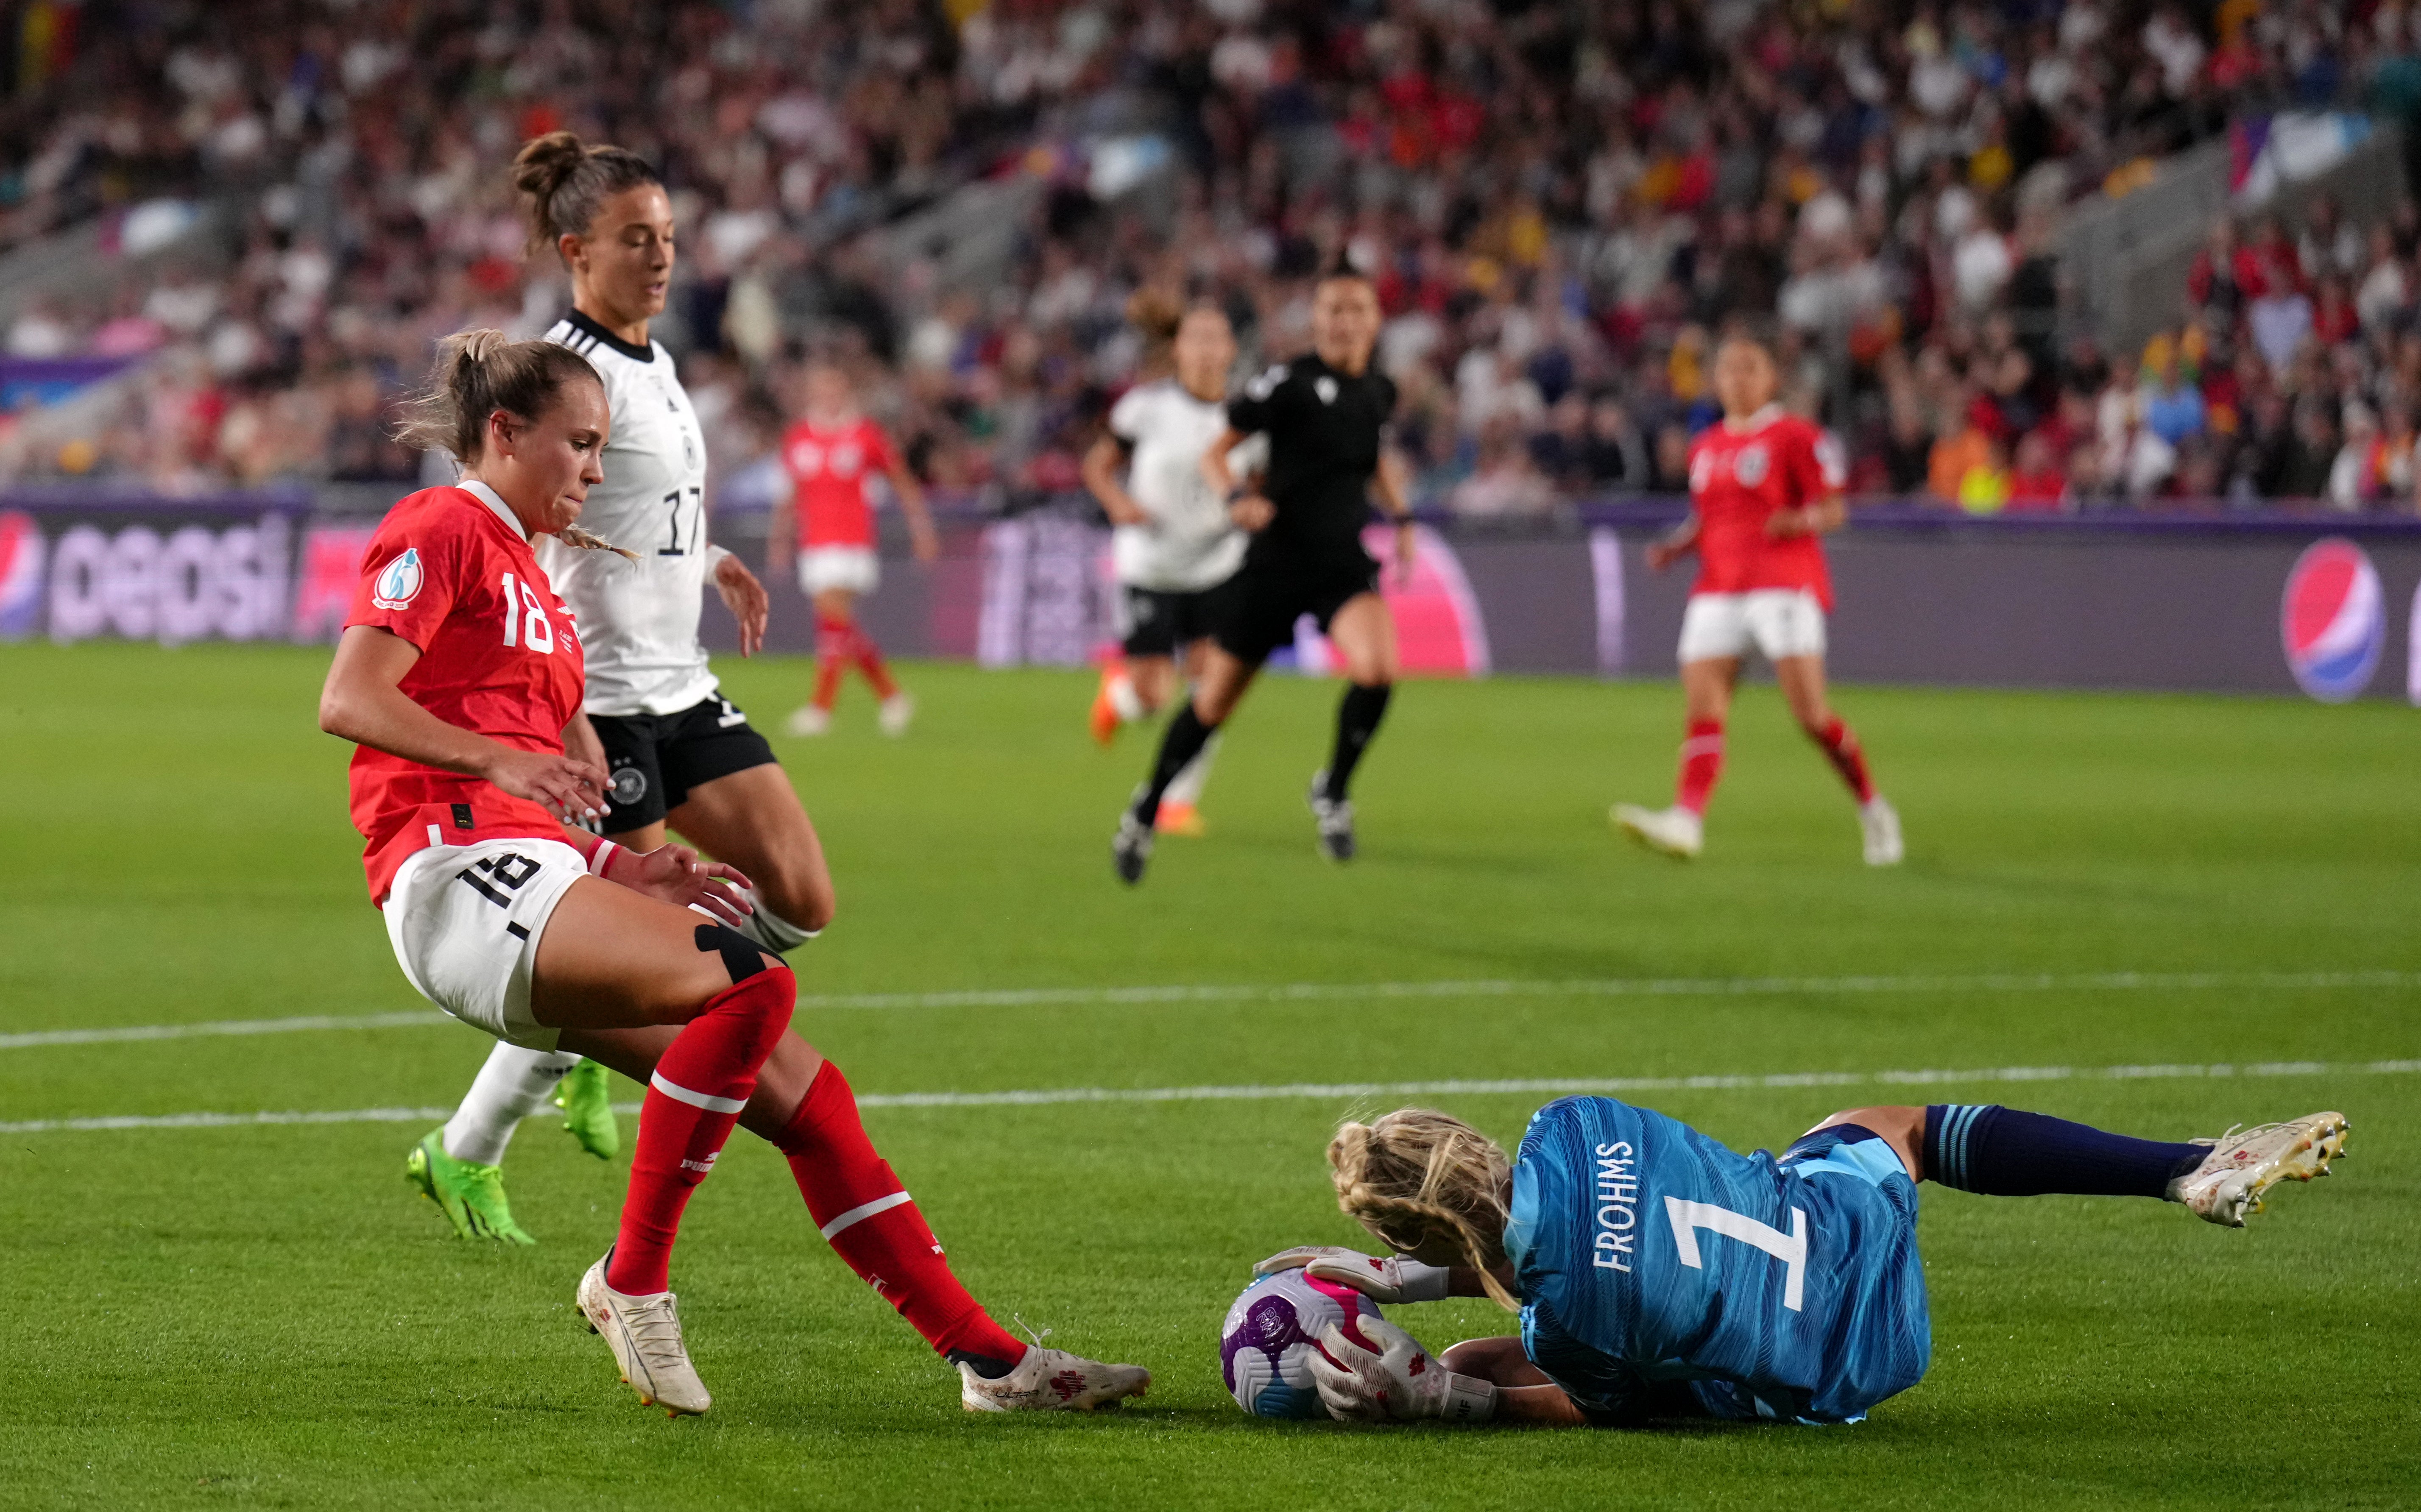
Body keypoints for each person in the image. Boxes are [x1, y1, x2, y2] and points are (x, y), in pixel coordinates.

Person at [322, 329, 1149, 1418]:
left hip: (534, 874)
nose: (594, 471)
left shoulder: (537, 575)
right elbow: (349, 696)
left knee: (810, 1097)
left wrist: (631, 865)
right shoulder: (442, 525)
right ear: (502, 432)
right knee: (751, 980)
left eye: (604, 447)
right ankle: (631, 1280)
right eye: (578, 444)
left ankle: (991, 1361)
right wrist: (496, 756)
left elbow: (557, 781)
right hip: (454, 870)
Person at [403, 132, 840, 1248]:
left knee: (796, 893)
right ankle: (478, 1143)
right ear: (574, 249)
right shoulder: (554, 371)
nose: (660, 256)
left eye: (670, 238)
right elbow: (526, 528)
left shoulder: (654, 360)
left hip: (682, 682)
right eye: (635, 239)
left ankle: (540, 1075)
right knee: (658, 934)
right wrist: (557, 712)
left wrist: (709, 557)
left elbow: (635, 507)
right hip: (600, 695)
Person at [1262, 1097, 2348, 1426]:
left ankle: (1453, 1383)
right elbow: (1622, 1224)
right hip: (1838, 1233)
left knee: (1487, 1359)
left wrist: (1455, 1396)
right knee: (1895, 1127)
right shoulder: (1572, 1119)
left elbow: (1606, 1402)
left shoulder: (1561, 1323)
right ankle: (2180, 1167)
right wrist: (1425, 1274)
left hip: (1837, 1378)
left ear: (1421, 1230)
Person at [1111, 261, 1414, 883]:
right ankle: (1145, 808)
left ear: (1375, 320)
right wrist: (1233, 500)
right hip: (1274, 565)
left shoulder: (1378, 390)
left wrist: (1402, 515)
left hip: (1339, 565)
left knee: (1379, 668)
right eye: (1332, 310)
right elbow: (1215, 451)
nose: (1343, 321)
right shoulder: (1288, 383)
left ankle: (1331, 787)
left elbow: (1372, 456)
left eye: (1356, 309)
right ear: (1316, 318)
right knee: (1214, 702)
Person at [1612, 328, 1902, 865]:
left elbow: (1836, 510)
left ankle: (1873, 808)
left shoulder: (1795, 436)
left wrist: (1801, 519)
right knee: (1703, 709)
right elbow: (1711, 520)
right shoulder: (1707, 447)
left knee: (1811, 716)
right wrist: (1676, 550)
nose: (1736, 378)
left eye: (1749, 367)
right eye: (1727, 369)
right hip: (1717, 589)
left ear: (1770, 378)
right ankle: (1687, 819)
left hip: (1784, 586)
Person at [1080, 293, 1254, 836]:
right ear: (1177, 348)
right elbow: (1099, 466)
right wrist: (1118, 504)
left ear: (1230, 350)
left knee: (1210, 689)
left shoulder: (1249, 417)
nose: (1204, 349)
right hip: (1151, 565)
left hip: (1216, 566)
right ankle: (1117, 695)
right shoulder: (1146, 408)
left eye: (1214, 338)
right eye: (1194, 338)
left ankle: (1177, 801)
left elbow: (1263, 481)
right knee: (1153, 697)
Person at [770, 360, 940, 737]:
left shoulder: (865, 434)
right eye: (821, 390)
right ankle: (891, 696)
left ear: (846, 393)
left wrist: (921, 530)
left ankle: (821, 709)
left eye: (835, 389)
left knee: (833, 617)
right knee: (836, 627)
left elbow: (903, 482)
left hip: (853, 539)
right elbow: (790, 495)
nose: (828, 396)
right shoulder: (799, 437)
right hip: (814, 541)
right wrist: (780, 539)